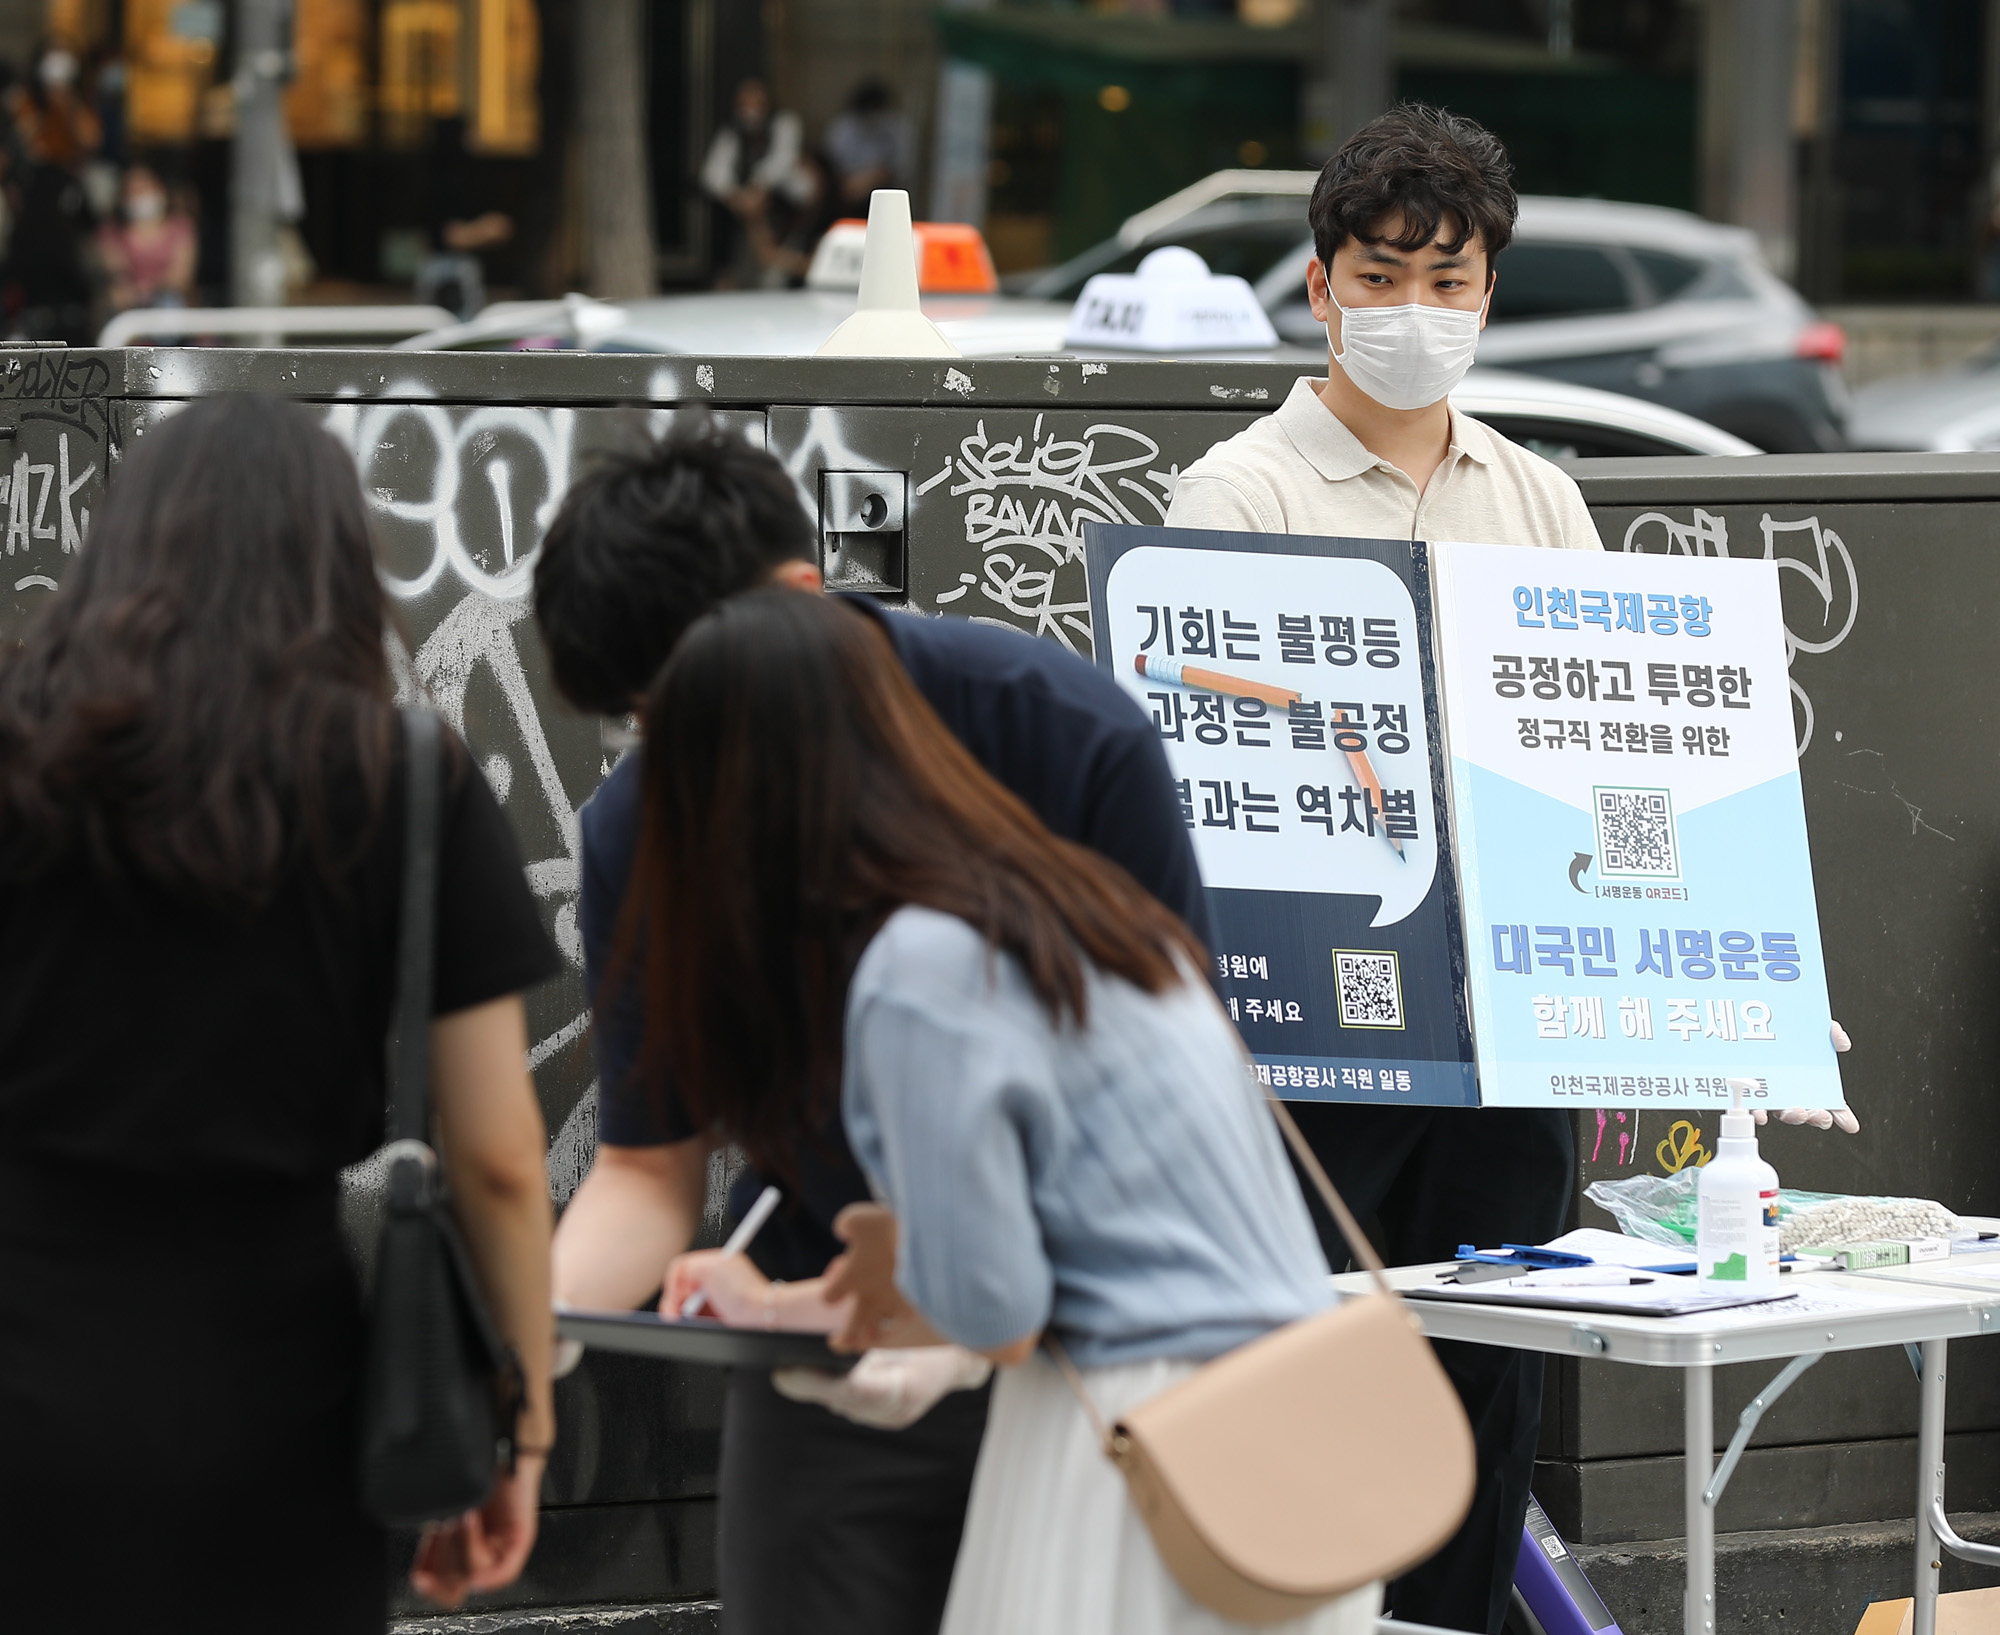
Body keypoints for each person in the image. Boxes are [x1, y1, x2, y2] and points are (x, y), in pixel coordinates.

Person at [536, 421, 1206, 1635]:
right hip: (827, 1350)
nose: (673, 755)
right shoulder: (641, 823)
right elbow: (646, 1166)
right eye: (643, 724)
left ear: (801, 598)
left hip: (1102, 1353)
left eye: (687, 707)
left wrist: (970, 1313)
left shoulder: (1060, 732)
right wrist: (530, 1333)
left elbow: (1176, 1114)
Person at [642, 588, 1377, 1635]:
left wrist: (846, 1311)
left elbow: (994, 1305)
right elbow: (1102, 1229)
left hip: (1130, 1454)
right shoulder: (1087, 908)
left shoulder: (914, 972)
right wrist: (782, 1310)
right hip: (1294, 1431)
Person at [0, 395, 563, 1631]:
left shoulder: (22, 761)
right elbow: (501, 1161)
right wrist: (519, 1429)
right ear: (335, 563)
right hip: (281, 1395)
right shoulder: (408, 784)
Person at [1164, 104, 1592, 1635]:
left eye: (1450, 279)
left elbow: (1591, 763)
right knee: (1315, 1372)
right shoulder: (1240, 498)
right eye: (1384, 272)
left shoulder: (1539, 497)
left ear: (1490, 293)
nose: (1416, 310)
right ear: (1319, 281)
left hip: (1509, 1035)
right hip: (1318, 1044)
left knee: (1486, 1386)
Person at [700, 78, 812, 289]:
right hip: (748, 217)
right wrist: (738, 197)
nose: (751, 111)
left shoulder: (784, 123)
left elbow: (783, 161)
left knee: (775, 272)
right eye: (745, 104)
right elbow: (713, 174)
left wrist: (758, 188)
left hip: (787, 214)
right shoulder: (732, 132)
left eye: (756, 104)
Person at [95, 161, 195, 312]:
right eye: (133, 190)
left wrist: (150, 292)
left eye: (144, 188)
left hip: (170, 306)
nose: (139, 194)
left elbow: (181, 276)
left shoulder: (181, 225)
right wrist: (129, 292)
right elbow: (115, 270)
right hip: (127, 306)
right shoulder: (112, 230)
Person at [822, 76, 911, 209]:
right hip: (843, 189)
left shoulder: (897, 127)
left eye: (876, 112)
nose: (872, 117)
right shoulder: (843, 128)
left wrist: (873, 177)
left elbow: (899, 167)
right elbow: (829, 164)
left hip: (885, 190)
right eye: (868, 112)